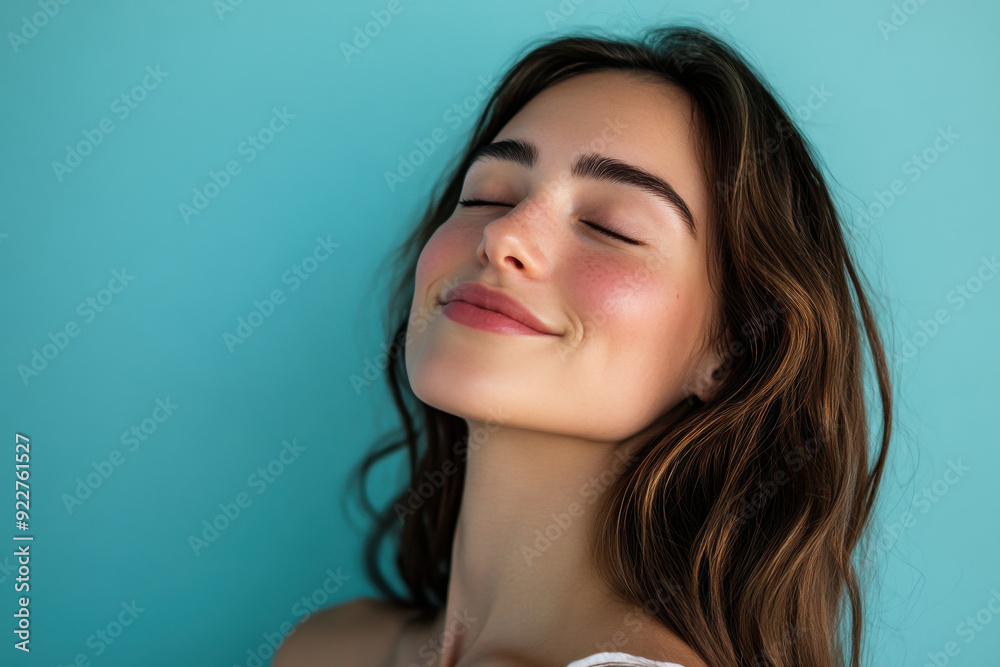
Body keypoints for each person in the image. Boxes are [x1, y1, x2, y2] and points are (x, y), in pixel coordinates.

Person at [274, 22, 893, 667]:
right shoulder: (327, 646)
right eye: (485, 196)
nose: (504, 237)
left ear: (730, 352)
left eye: (610, 227)